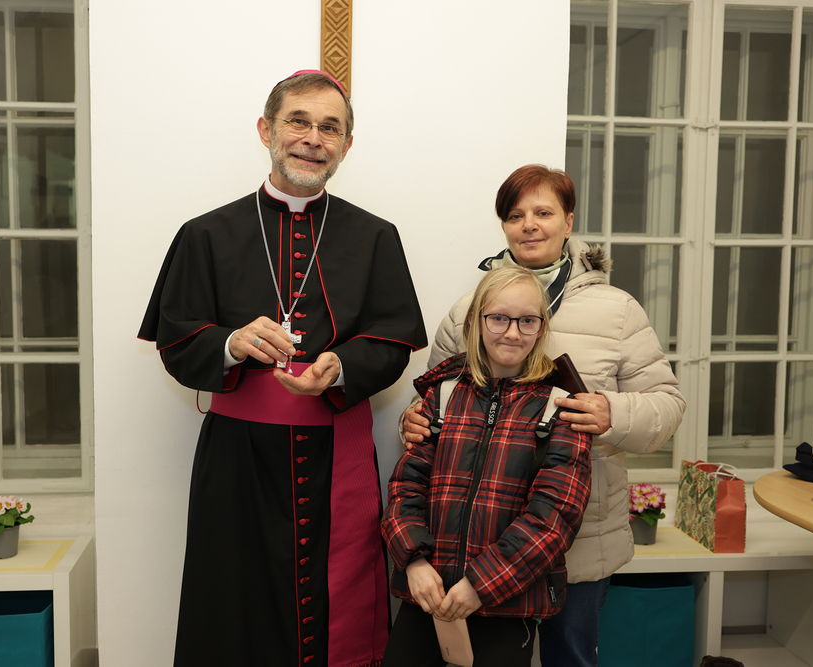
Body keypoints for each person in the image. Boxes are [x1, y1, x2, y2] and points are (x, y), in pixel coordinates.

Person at [139, 70, 427, 667]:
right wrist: (230, 342)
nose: (313, 139)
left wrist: (340, 366)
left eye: (330, 128)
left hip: (334, 452)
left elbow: (393, 342)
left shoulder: (375, 237)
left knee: (332, 608)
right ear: (266, 129)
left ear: (347, 145)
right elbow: (176, 342)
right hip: (237, 462)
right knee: (234, 605)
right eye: (299, 121)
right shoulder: (205, 234)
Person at [401, 164, 686, 667]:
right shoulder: (467, 310)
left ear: (568, 222)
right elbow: (435, 395)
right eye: (515, 215)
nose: (529, 225)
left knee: (569, 660)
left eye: (543, 212)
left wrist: (612, 413)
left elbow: (667, 405)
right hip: (477, 549)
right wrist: (413, 420)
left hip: (579, 542)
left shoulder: (617, 310)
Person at [382, 266, 593, 667]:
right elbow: (405, 487)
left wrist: (481, 584)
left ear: (541, 328)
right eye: (498, 318)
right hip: (427, 594)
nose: (512, 333)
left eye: (527, 321)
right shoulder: (442, 395)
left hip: (505, 605)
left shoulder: (561, 408)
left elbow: (555, 517)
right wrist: (413, 561)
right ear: (476, 322)